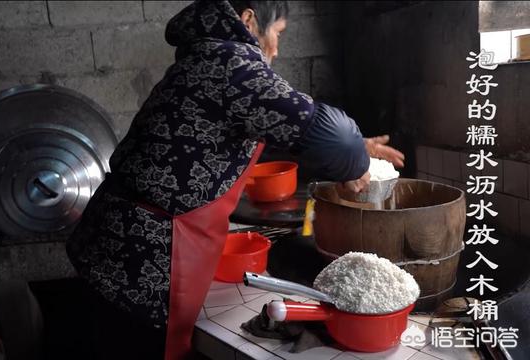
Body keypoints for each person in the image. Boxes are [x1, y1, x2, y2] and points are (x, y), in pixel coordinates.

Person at [66, 1, 404, 359]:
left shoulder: (202, 58)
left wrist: (360, 146)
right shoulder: (230, 63)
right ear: (247, 20)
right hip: (146, 259)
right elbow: (333, 136)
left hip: (109, 243)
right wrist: (355, 163)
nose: (276, 47)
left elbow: (270, 126)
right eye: (277, 33)